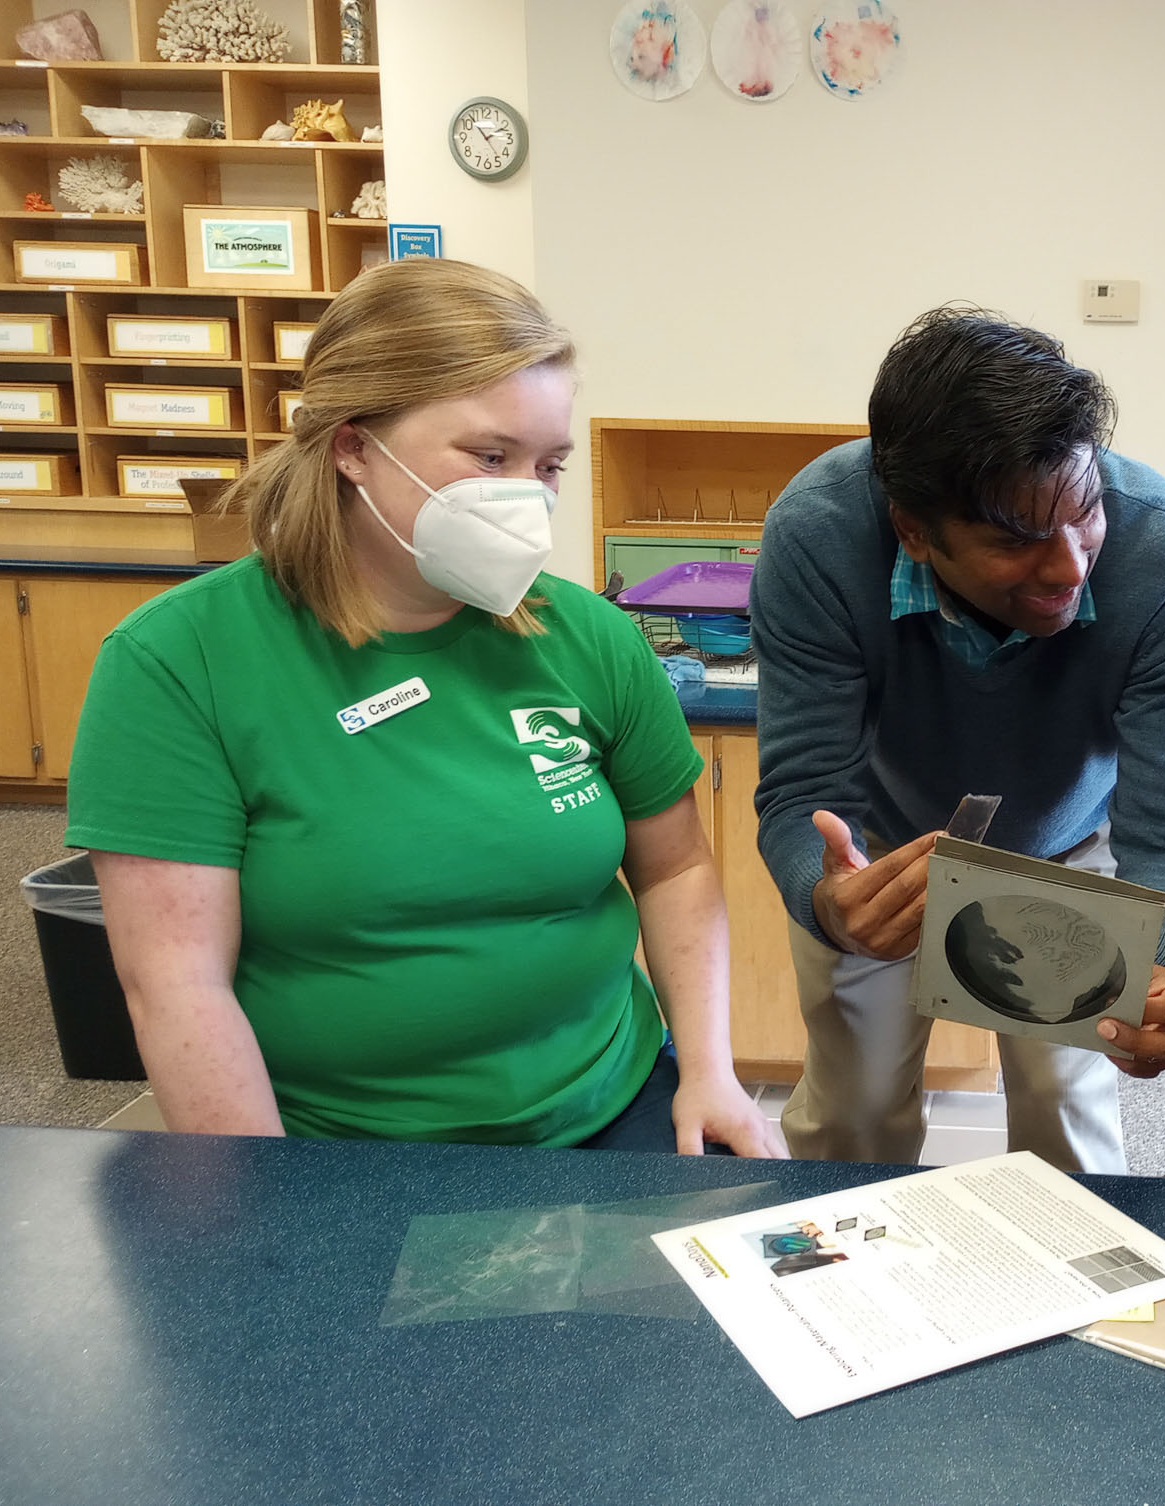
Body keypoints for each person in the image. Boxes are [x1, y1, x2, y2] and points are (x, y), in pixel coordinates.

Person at [66, 258, 782, 1156]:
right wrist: (263, 1204)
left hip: (610, 1107)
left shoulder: (590, 639)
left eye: (549, 464)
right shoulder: (179, 662)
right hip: (340, 1149)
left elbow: (675, 871)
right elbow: (177, 984)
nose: (529, 496)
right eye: (490, 457)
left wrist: (711, 1073)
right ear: (352, 445)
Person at [751, 307, 1165, 1173]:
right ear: (913, 530)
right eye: (1013, 540)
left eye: (1084, 513)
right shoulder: (818, 535)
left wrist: (1149, 971)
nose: (1069, 567)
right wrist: (829, 901)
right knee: (852, 1124)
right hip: (885, 857)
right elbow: (800, 794)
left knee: (1066, 1120)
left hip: (1065, 852)